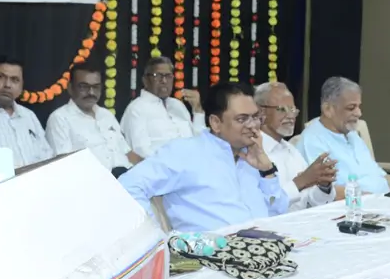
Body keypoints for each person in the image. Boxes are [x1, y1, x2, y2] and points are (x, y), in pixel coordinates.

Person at [118, 82, 290, 232]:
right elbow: (129, 186)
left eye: (255, 117)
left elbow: (278, 212)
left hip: (264, 250)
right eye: (242, 119)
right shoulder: (186, 152)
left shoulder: (253, 156)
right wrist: (157, 241)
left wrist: (267, 171)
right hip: (212, 260)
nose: (253, 126)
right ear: (216, 123)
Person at [296, 77, 390, 195]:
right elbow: (328, 193)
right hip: (359, 207)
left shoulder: (351, 134)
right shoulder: (313, 140)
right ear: (327, 109)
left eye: (359, 106)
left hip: (384, 202)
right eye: (351, 108)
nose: (359, 113)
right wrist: (378, 201)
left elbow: (381, 177)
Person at [254, 82, 337, 210]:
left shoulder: (290, 150)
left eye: (293, 110)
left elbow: (311, 202)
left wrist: (323, 186)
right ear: (261, 113)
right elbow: (267, 205)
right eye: (282, 109)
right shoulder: (253, 151)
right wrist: (301, 181)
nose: (290, 116)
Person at [45, 62, 139, 171]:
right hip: (93, 184)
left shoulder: (106, 115)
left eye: (96, 87)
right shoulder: (60, 119)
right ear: (70, 88)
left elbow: (127, 153)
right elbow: (64, 166)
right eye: (84, 87)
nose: (91, 92)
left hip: (127, 179)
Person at [119, 56, 205, 158]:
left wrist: (198, 110)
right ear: (145, 80)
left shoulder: (178, 105)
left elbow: (201, 143)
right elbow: (141, 152)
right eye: (157, 75)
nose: (164, 81)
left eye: (168, 76)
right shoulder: (136, 109)